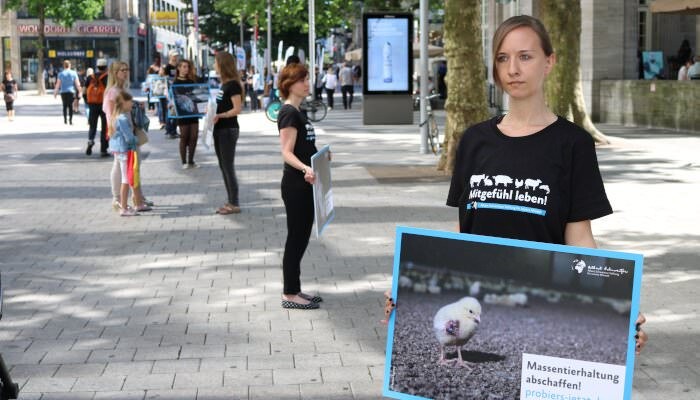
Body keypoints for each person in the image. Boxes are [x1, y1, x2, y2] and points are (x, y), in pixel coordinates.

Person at [443, 15, 646, 354]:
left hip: (538, 312)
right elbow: (463, 230)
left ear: (549, 62)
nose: (513, 69)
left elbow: (580, 239)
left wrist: (620, 307)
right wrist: (402, 285)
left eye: (525, 56)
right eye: (503, 58)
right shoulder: (474, 141)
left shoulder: (574, 144)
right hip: (480, 305)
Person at [276, 62, 323, 310]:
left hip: (305, 183)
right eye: (302, 80)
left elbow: (305, 146)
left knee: (301, 237)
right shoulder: (289, 113)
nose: (307, 84)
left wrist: (320, 156)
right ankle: (289, 293)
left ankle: (295, 288)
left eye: (307, 79)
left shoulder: (298, 111)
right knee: (296, 237)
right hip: (296, 185)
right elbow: (286, 152)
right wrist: (305, 168)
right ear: (289, 84)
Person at [104, 61, 152, 212]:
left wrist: (135, 105)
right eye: (122, 70)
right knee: (124, 167)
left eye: (127, 69)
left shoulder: (122, 89)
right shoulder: (112, 92)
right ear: (115, 73)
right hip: (122, 136)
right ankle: (119, 198)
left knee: (130, 166)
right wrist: (117, 132)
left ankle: (135, 197)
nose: (126, 72)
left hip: (128, 131)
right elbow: (111, 115)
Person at [212, 51, 244, 215]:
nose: (214, 65)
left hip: (228, 129)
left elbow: (237, 109)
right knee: (223, 166)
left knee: (228, 166)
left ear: (222, 65)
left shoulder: (233, 85)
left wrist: (221, 115)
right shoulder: (224, 84)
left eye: (216, 62)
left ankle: (234, 203)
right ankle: (231, 200)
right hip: (220, 129)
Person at [107, 90, 139, 217]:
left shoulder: (115, 117)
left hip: (118, 151)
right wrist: (136, 140)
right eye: (130, 101)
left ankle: (124, 206)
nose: (132, 104)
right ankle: (124, 207)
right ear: (124, 103)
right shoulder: (123, 119)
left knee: (125, 178)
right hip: (125, 151)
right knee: (126, 180)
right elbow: (129, 137)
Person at [173, 59, 200, 169]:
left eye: (187, 67)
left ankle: (191, 161)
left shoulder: (192, 81)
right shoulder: (175, 83)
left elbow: (196, 95)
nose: (186, 69)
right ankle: (184, 162)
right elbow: (173, 99)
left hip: (193, 112)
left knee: (194, 136)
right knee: (184, 136)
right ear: (178, 68)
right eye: (184, 66)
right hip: (182, 113)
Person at [85, 59, 109, 156]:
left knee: (92, 125)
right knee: (104, 127)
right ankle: (103, 149)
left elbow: (84, 90)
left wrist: (87, 102)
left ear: (97, 67)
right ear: (106, 67)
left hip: (92, 104)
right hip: (104, 105)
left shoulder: (90, 77)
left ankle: (90, 140)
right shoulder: (108, 77)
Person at [53, 60, 81, 125]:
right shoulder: (74, 73)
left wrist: (55, 92)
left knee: (64, 106)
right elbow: (77, 84)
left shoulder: (60, 74)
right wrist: (80, 91)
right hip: (71, 91)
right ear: (70, 65)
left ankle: (65, 120)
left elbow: (58, 84)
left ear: (64, 65)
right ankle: (70, 120)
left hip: (63, 92)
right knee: (70, 106)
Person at [160, 50, 180, 138]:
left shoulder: (178, 66)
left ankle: (174, 130)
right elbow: (163, 76)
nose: (175, 57)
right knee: (171, 109)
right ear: (170, 56)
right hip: (170, 91)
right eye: (174, 56)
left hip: (177, 90)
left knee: (176, 111)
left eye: (176, 56)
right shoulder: (167, 67)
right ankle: (169, 130)